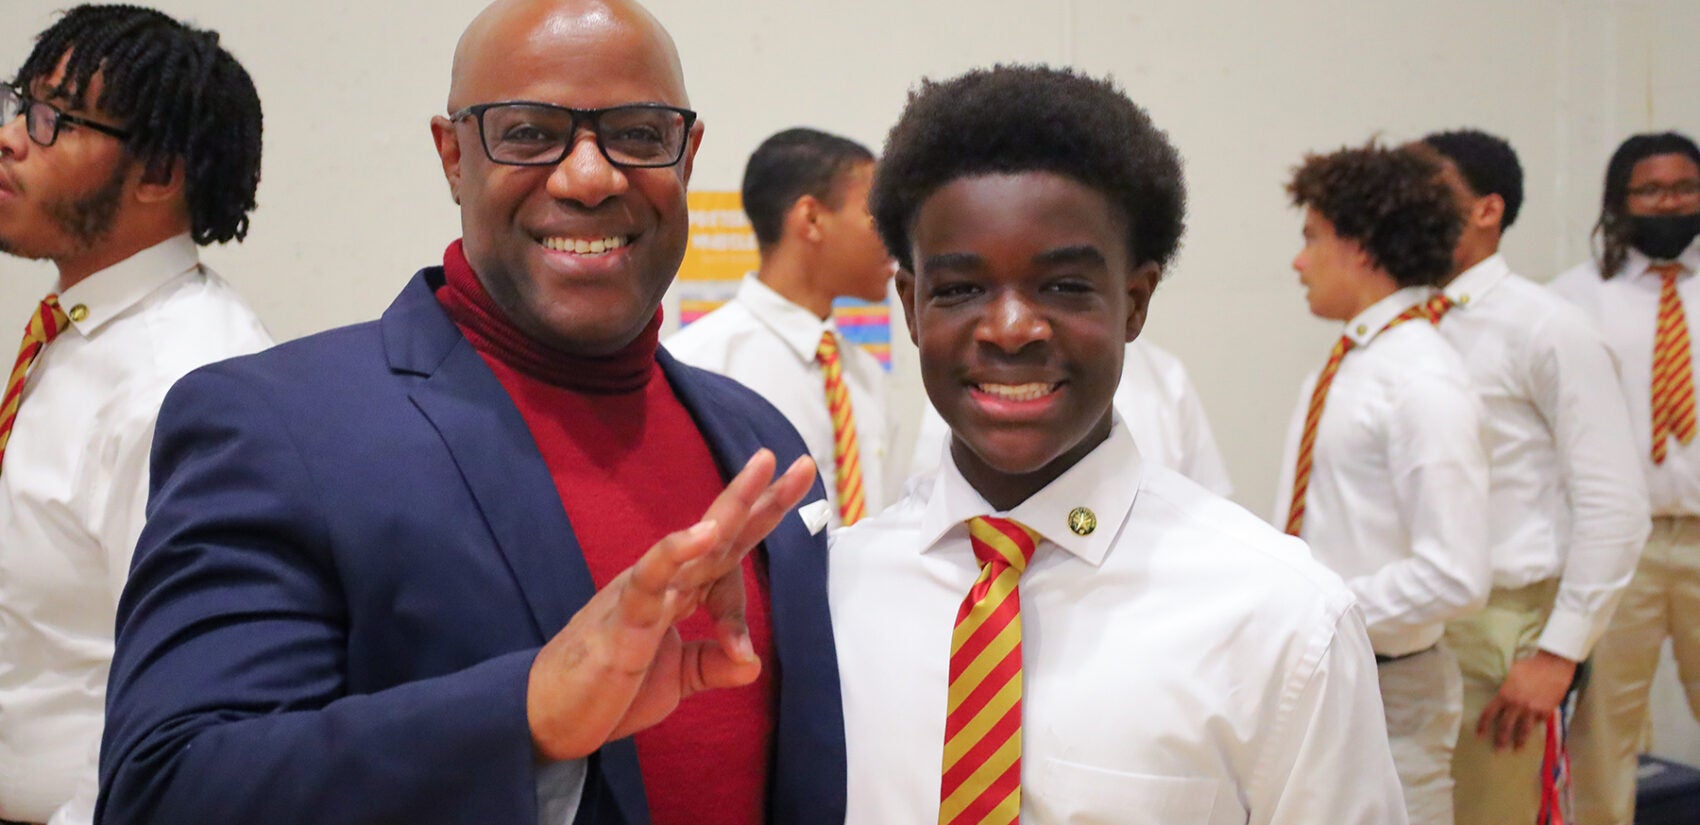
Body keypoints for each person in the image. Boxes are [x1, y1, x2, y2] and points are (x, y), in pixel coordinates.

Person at [96, 1, 844, 824]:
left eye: (637, 133)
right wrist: (528, 711)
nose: (588, 176)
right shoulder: (278, 425)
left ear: (687, 153)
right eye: (526, 133)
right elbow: (166, 789)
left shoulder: (761, 442)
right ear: (453, 157)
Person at [832, 64, 1406, 825]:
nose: (1011, 328)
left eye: (1064, 287)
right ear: (910, 305)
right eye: (960, 288)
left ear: (1134, 302)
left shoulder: (1278, 618)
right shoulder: (836, 593)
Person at [0, 6, 272, 824]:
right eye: (20, 103)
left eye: (54, 119)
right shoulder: (80, 328)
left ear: (158, 173)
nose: (14, 136)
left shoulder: (183, 382)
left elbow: (186, 696)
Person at [1414, 129, 1650, 825]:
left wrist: (1557, 653)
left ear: (1487, 210)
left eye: (1431, 197)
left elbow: (1614, 500)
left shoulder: (1547, 326)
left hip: (1500, 625)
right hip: (1404, 623)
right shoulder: (1396, 321)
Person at [1275, 141, 1492, 825]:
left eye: (1312, 238)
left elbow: (1456, 574)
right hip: (1327, 675)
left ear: (1362, 246)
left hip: (1391, 687)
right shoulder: (1347, 364)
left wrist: (1321, 610)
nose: (1298, 260)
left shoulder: (1421, 379)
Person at [1549, 130, 1700, 825]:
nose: (1668, 201)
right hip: (1620, 550)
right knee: (1604, 734)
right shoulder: (1572, 302)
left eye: (1683, 187)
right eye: (1650, 189)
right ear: (1619, 200)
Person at [667, 127, 894, 527]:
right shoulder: (696, 367)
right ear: (811, 218)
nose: (894, 238)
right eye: (875, 215)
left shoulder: (865, 374)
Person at [907, 337, 1234, 496]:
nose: (1014, 330)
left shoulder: (1165, 380)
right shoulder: (962, 390)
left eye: (1065, 286)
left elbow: (1205, 505)